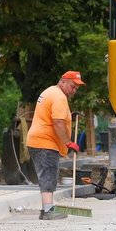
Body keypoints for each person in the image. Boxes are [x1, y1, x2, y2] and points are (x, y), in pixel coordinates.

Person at [26, 70, 84, 220]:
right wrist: (68, 142)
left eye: (76, 88)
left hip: (39, 140)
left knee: (47, 173)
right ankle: (48, 210)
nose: (74, 90)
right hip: (45, 142)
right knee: (48, 174)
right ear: (63, 81)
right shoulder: (59, 97)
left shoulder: (50, 92)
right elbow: (57, 122)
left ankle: (46, 209)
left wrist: (70, 117)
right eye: (73, 86)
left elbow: (54, 116)